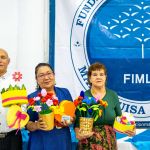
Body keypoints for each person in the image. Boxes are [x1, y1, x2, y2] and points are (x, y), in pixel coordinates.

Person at [74, 62, 136, 150]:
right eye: (95, 74)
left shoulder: (113, 95)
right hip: (88, 143)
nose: (98, 77)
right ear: (90, 79)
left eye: (101, 74)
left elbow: (120, 119)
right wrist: (78, 135)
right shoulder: (83, 97)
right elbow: (77, 123)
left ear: (105, 77)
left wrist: (130, 129)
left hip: (110, 143)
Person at [26, 63, 74, 150]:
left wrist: (68, 120)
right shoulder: (32, 97)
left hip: (62, 141)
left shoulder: (64, 92)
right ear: (36, 79)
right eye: (41, 75)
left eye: (49, 73)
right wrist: (36, 125)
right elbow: (27, 123)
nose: (46, 78)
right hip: (41, 142)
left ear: (54, 75)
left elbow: (73, 116)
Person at [0, 48, 22, 150]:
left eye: (3, 57)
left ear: (8, 61)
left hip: (12, 137)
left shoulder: (16, 80)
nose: (0, 60)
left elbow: (23, 105)